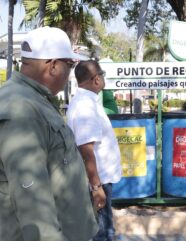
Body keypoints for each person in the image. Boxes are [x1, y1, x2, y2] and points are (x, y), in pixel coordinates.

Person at [0, 27, 98, 241]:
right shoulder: (19, 110)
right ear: (53, 66)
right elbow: (32, 201)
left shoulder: (34, 100)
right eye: (70, 65)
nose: (70, 72)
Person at [66, 60, 122, 241]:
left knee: (106, 229)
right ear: (96, 79)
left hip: (101, 180)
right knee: (101, 232)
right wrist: (96, 187)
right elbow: (86, 149)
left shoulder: (88, 101)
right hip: (98, 181)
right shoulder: (85, 106)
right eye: (102, 75)